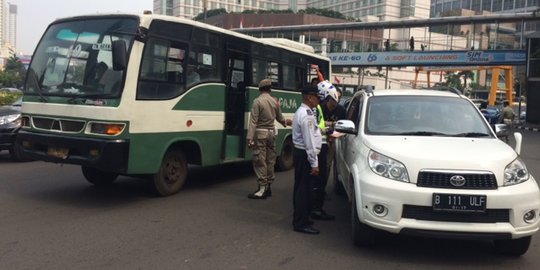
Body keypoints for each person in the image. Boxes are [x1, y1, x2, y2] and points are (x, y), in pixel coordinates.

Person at [246, 79, 292, 199]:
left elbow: (253, 121)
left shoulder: (257, 101)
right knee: (270, 160)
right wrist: (287, 123)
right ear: (270, 89)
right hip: (272, 134)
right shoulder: (274, 101)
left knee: (259, 160)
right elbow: (280, 118)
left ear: (260, 89)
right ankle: (268, 187)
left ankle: (261, 189)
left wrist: (250, 138)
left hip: (260, 134)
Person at [311, 81, 346, 221]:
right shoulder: (320, 108)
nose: (332, 105)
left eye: (335, 102)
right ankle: (316, 194)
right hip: (320, 142)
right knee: (318, 168)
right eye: (331, 102)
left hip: (332, 142)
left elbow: (343, 129)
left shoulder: (341, 110)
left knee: (327, 166)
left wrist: (333, 135)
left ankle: (321, 190)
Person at [292, 85, 322, 234]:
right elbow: (309, 141)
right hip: (304, 155)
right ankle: (300, 223)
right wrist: (314, 163)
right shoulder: (306, 115)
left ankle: (302, 217)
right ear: (310, 97)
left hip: (301, 154)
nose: (319, 99)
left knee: (303, 188)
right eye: (317, 96)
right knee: (303, 190)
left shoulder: (304, 112)